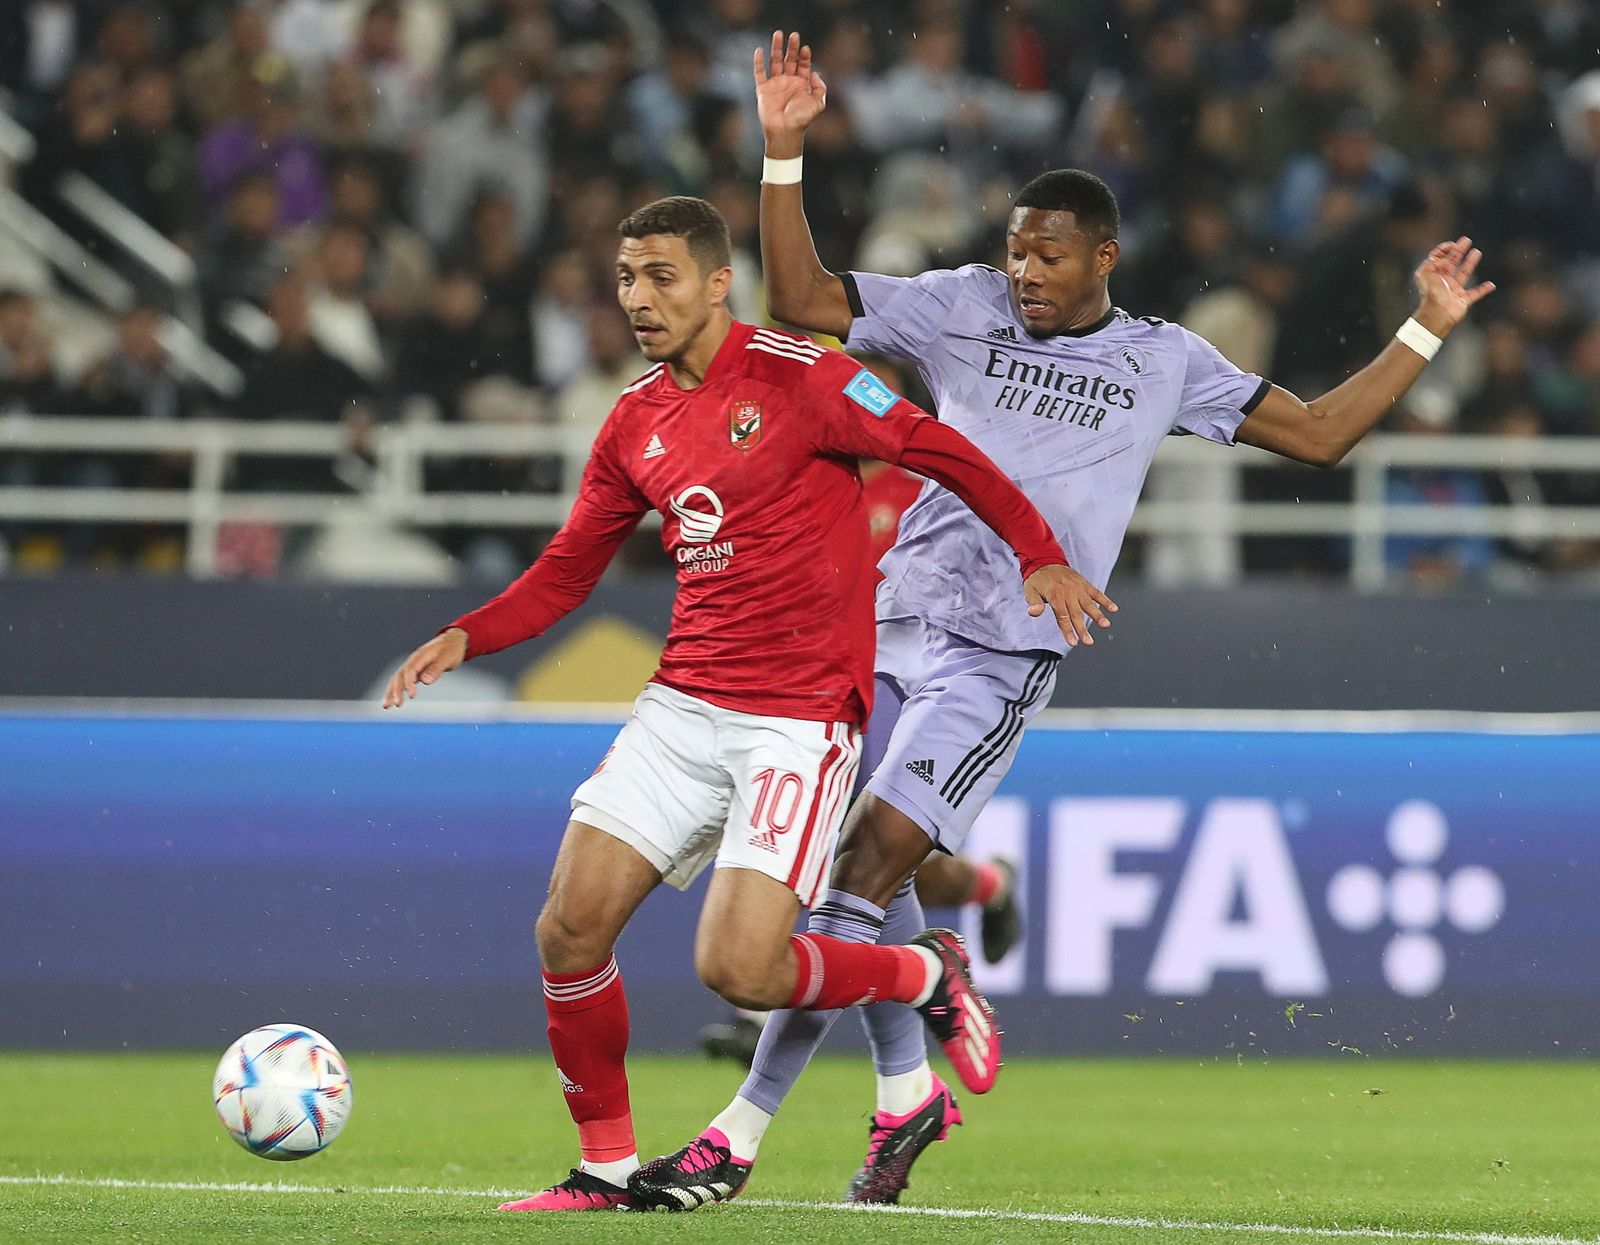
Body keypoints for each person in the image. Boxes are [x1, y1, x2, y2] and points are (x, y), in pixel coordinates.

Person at [638, 31, 1496, 1210]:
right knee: (854, 869)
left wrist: (1425, 326)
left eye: (1047, 254)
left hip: (999, 655)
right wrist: (781, 153)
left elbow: (1319, 435)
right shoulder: (955, 308)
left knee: (865, 864)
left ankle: (734, 1139)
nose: (1025, 271)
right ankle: (906, 1099)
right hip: (887, 620)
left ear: (1105, 255)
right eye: (1014, 251)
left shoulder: (1163, 361)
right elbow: (802, 300)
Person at [381, 195, 1113, 1213]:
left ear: (718, 282)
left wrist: (1039, 554)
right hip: (681, 707)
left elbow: (938, 449)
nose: (639, 298)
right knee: (568, 930)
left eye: (662, 276)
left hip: (798, 722)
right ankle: (602, 1167)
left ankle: (918, 977)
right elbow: (566, 568)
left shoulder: (803, 374)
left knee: (741, 968)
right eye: (627, 277)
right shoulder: (636, 417)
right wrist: (473, 631)